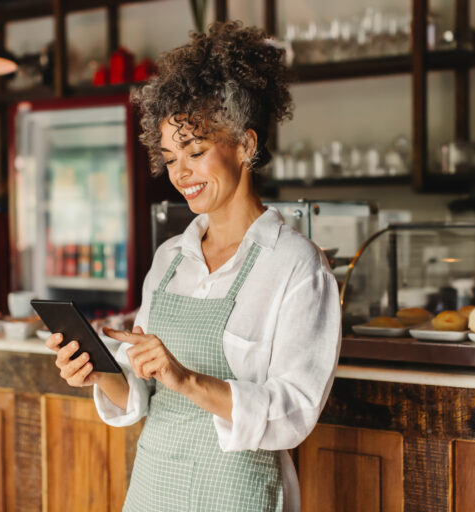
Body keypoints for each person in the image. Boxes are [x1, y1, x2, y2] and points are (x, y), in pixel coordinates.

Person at [46, 21, 341, 512]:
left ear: (246, 146)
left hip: (238, 493)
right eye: (169, 157)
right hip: (155, 487)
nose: (180, 174)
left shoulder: (295, 266)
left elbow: (293, 411)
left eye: (196, 152)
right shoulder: (168, 260)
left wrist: (186, 379)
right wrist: (98, 373)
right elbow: (140, 393)